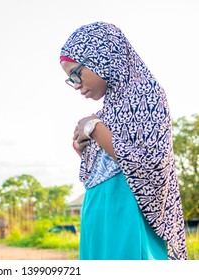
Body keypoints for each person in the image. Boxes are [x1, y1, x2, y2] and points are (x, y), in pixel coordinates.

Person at [59, 22, 187, 260]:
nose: (76, 85)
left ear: (102, 56)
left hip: (128, 207)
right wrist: (83, 148)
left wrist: (94, 129)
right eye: (70, 79)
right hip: (98, 208)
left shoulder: (146, 93)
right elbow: (108, 163)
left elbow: (152, 164)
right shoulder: (106, 110)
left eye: (76, 73)